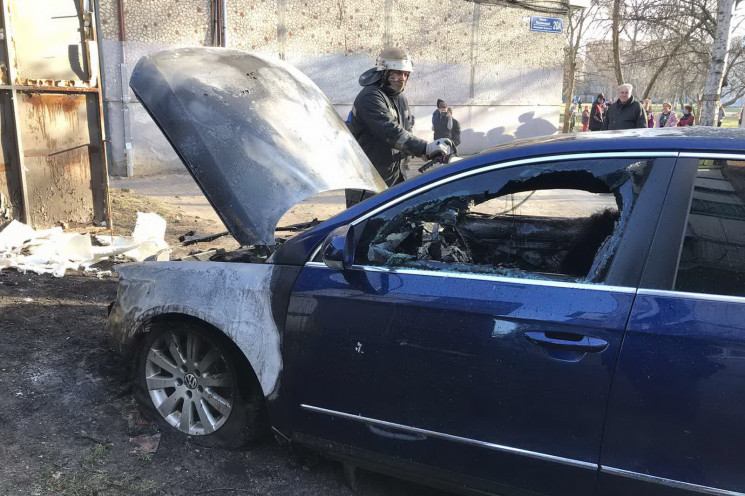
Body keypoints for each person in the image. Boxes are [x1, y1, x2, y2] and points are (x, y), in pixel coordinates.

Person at [346, 47, 453, 207]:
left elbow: (406, 132)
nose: (401, 78)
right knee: (366, 230)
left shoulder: (400, 98)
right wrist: (425, 148)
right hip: (368, 185)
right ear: (384, 72)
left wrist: (429, 153)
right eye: (396, 73)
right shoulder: (370, 97)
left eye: (405, 74)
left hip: (395, 179)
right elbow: (391, 132)